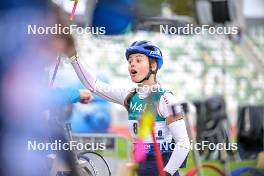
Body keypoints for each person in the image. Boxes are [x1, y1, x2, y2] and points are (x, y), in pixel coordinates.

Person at [64, 39, 190, 176]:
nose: (132, 64)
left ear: (153, 66)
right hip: (140, 166)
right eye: (130, 61)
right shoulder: (129, 95)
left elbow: (183, 143)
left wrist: (168, 172)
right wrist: (73, 58)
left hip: (161, 166)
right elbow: (93, 85)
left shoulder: (167, 99)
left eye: (138, 60)